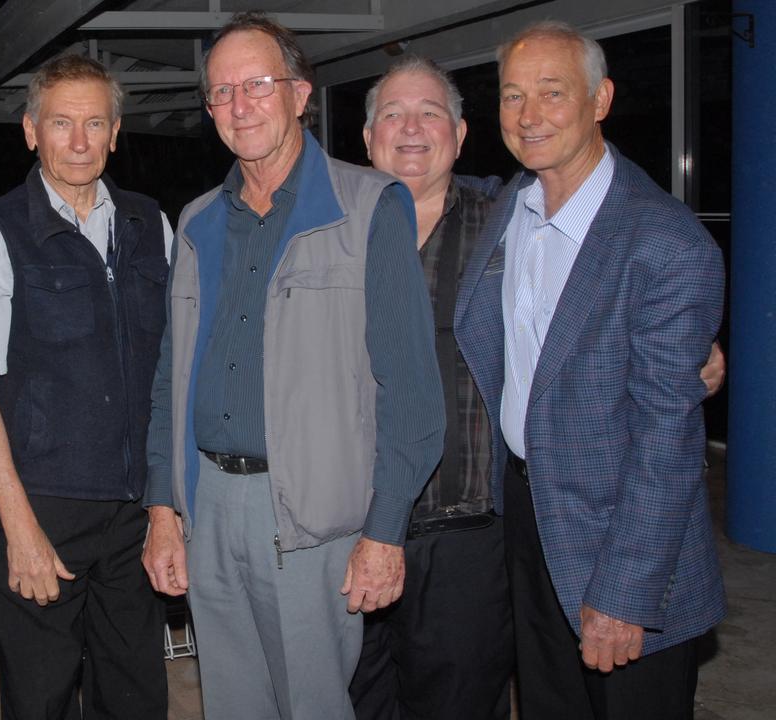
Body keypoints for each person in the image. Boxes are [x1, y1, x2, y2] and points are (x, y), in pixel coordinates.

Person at [141, 12, 445, 720]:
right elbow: (170, 377)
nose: (240, 106)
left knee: (312, 706)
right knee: (234, 706)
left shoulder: (368, 208)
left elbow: (411, 390)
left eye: (257, 85)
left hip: (313, 519)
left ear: (300, 94)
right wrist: (163, 508)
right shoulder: (197, 222)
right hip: (208, 508)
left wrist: (384, 531)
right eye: (222, 93)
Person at [454, 21, 726, 720]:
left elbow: (669, 442)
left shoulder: (665, 243)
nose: (529, 115)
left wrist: (625, 594)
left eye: (552, 92)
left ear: (600, 99)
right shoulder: (508, 207)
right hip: (527, 519)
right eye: (513, 96)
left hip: (622, 540)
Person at [0, 54, 172, 719]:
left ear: (116, 131)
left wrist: (167, 509)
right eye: (61, 123)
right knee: (39, 699)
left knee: (136, 698)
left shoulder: (150, 224)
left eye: (93, 123)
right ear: (30, 130)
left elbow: (172, 372)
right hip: (44, 508)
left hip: (135, 513)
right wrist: (19, 527)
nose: (78, 141)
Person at [350, 56, 514, 720]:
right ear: (367, 139)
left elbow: (587, 286)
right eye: (392, 114)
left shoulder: (509, 227)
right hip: (349, 527)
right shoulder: (334, 233)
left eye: (429, 113)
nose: (411, 128)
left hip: (467, 535)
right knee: (354, 701)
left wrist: (684, 341)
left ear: (461, 132)